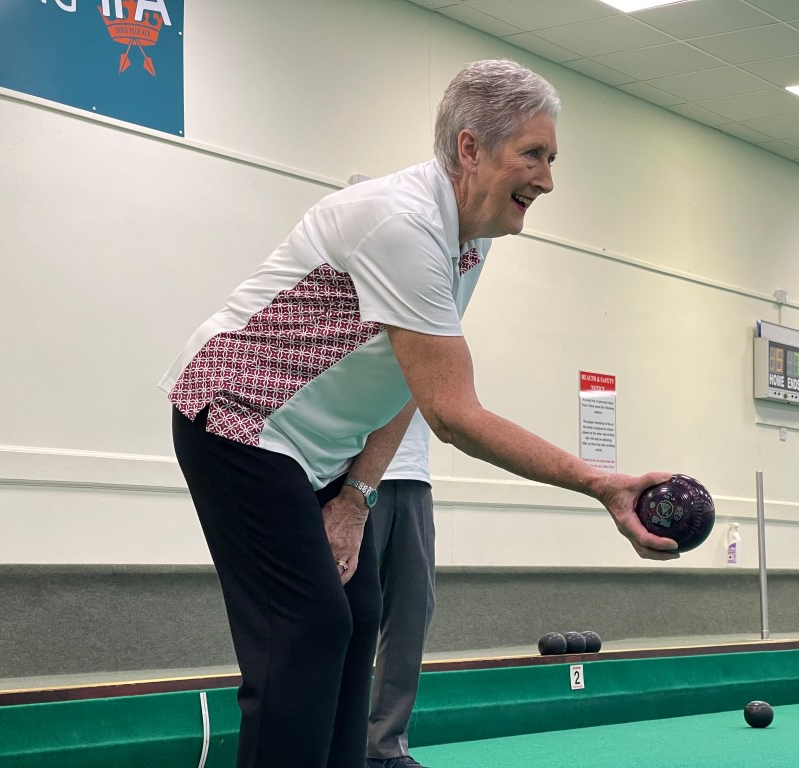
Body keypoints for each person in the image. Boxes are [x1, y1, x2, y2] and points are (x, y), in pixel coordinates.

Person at [160, 58, 680, 768]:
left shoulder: (471, 237)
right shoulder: (400, 224)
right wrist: (599, 483)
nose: (547, 180)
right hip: (236, 419)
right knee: (306, 626)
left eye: (552, 159)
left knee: (356, 617)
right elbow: (453, 413)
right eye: (533, 154)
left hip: (314, 448)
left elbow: (413, 380)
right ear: (470, 149)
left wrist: (356, 496)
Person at [365, 411, 435, 768]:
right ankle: (329, 743)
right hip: (350, 474)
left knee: (412, 609)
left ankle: (385, 749)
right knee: (346, 613)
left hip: (414, 477)